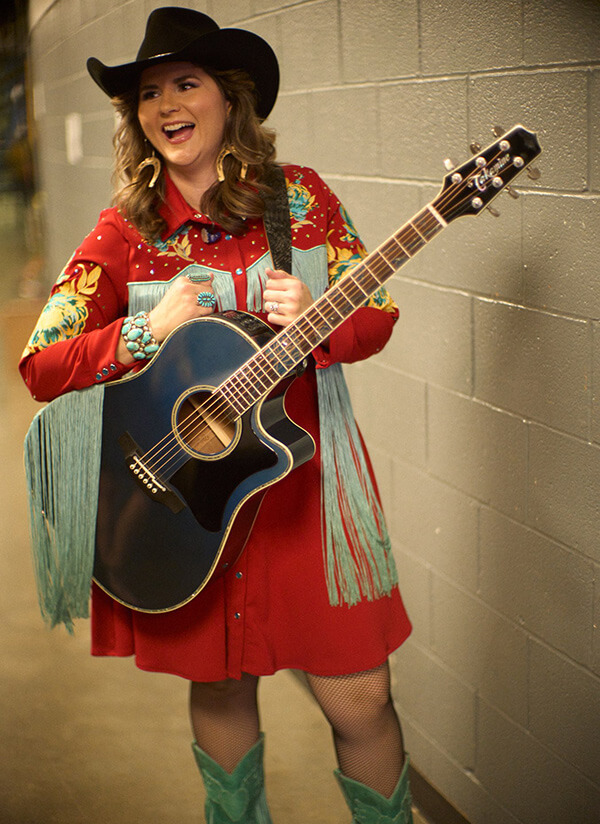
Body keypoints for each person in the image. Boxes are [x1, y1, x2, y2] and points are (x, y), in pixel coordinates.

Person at [20, 8, 414, 823]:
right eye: (148, 92)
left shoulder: (298, 200)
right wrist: (141, 332)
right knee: (223, 683)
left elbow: (375, 314)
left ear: (228, 99)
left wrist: (321, 312)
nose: (165, 103)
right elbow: (41, 365)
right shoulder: (124, 232)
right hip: (191, 502)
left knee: (361, 697)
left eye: (185, 83)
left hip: (306, 490)